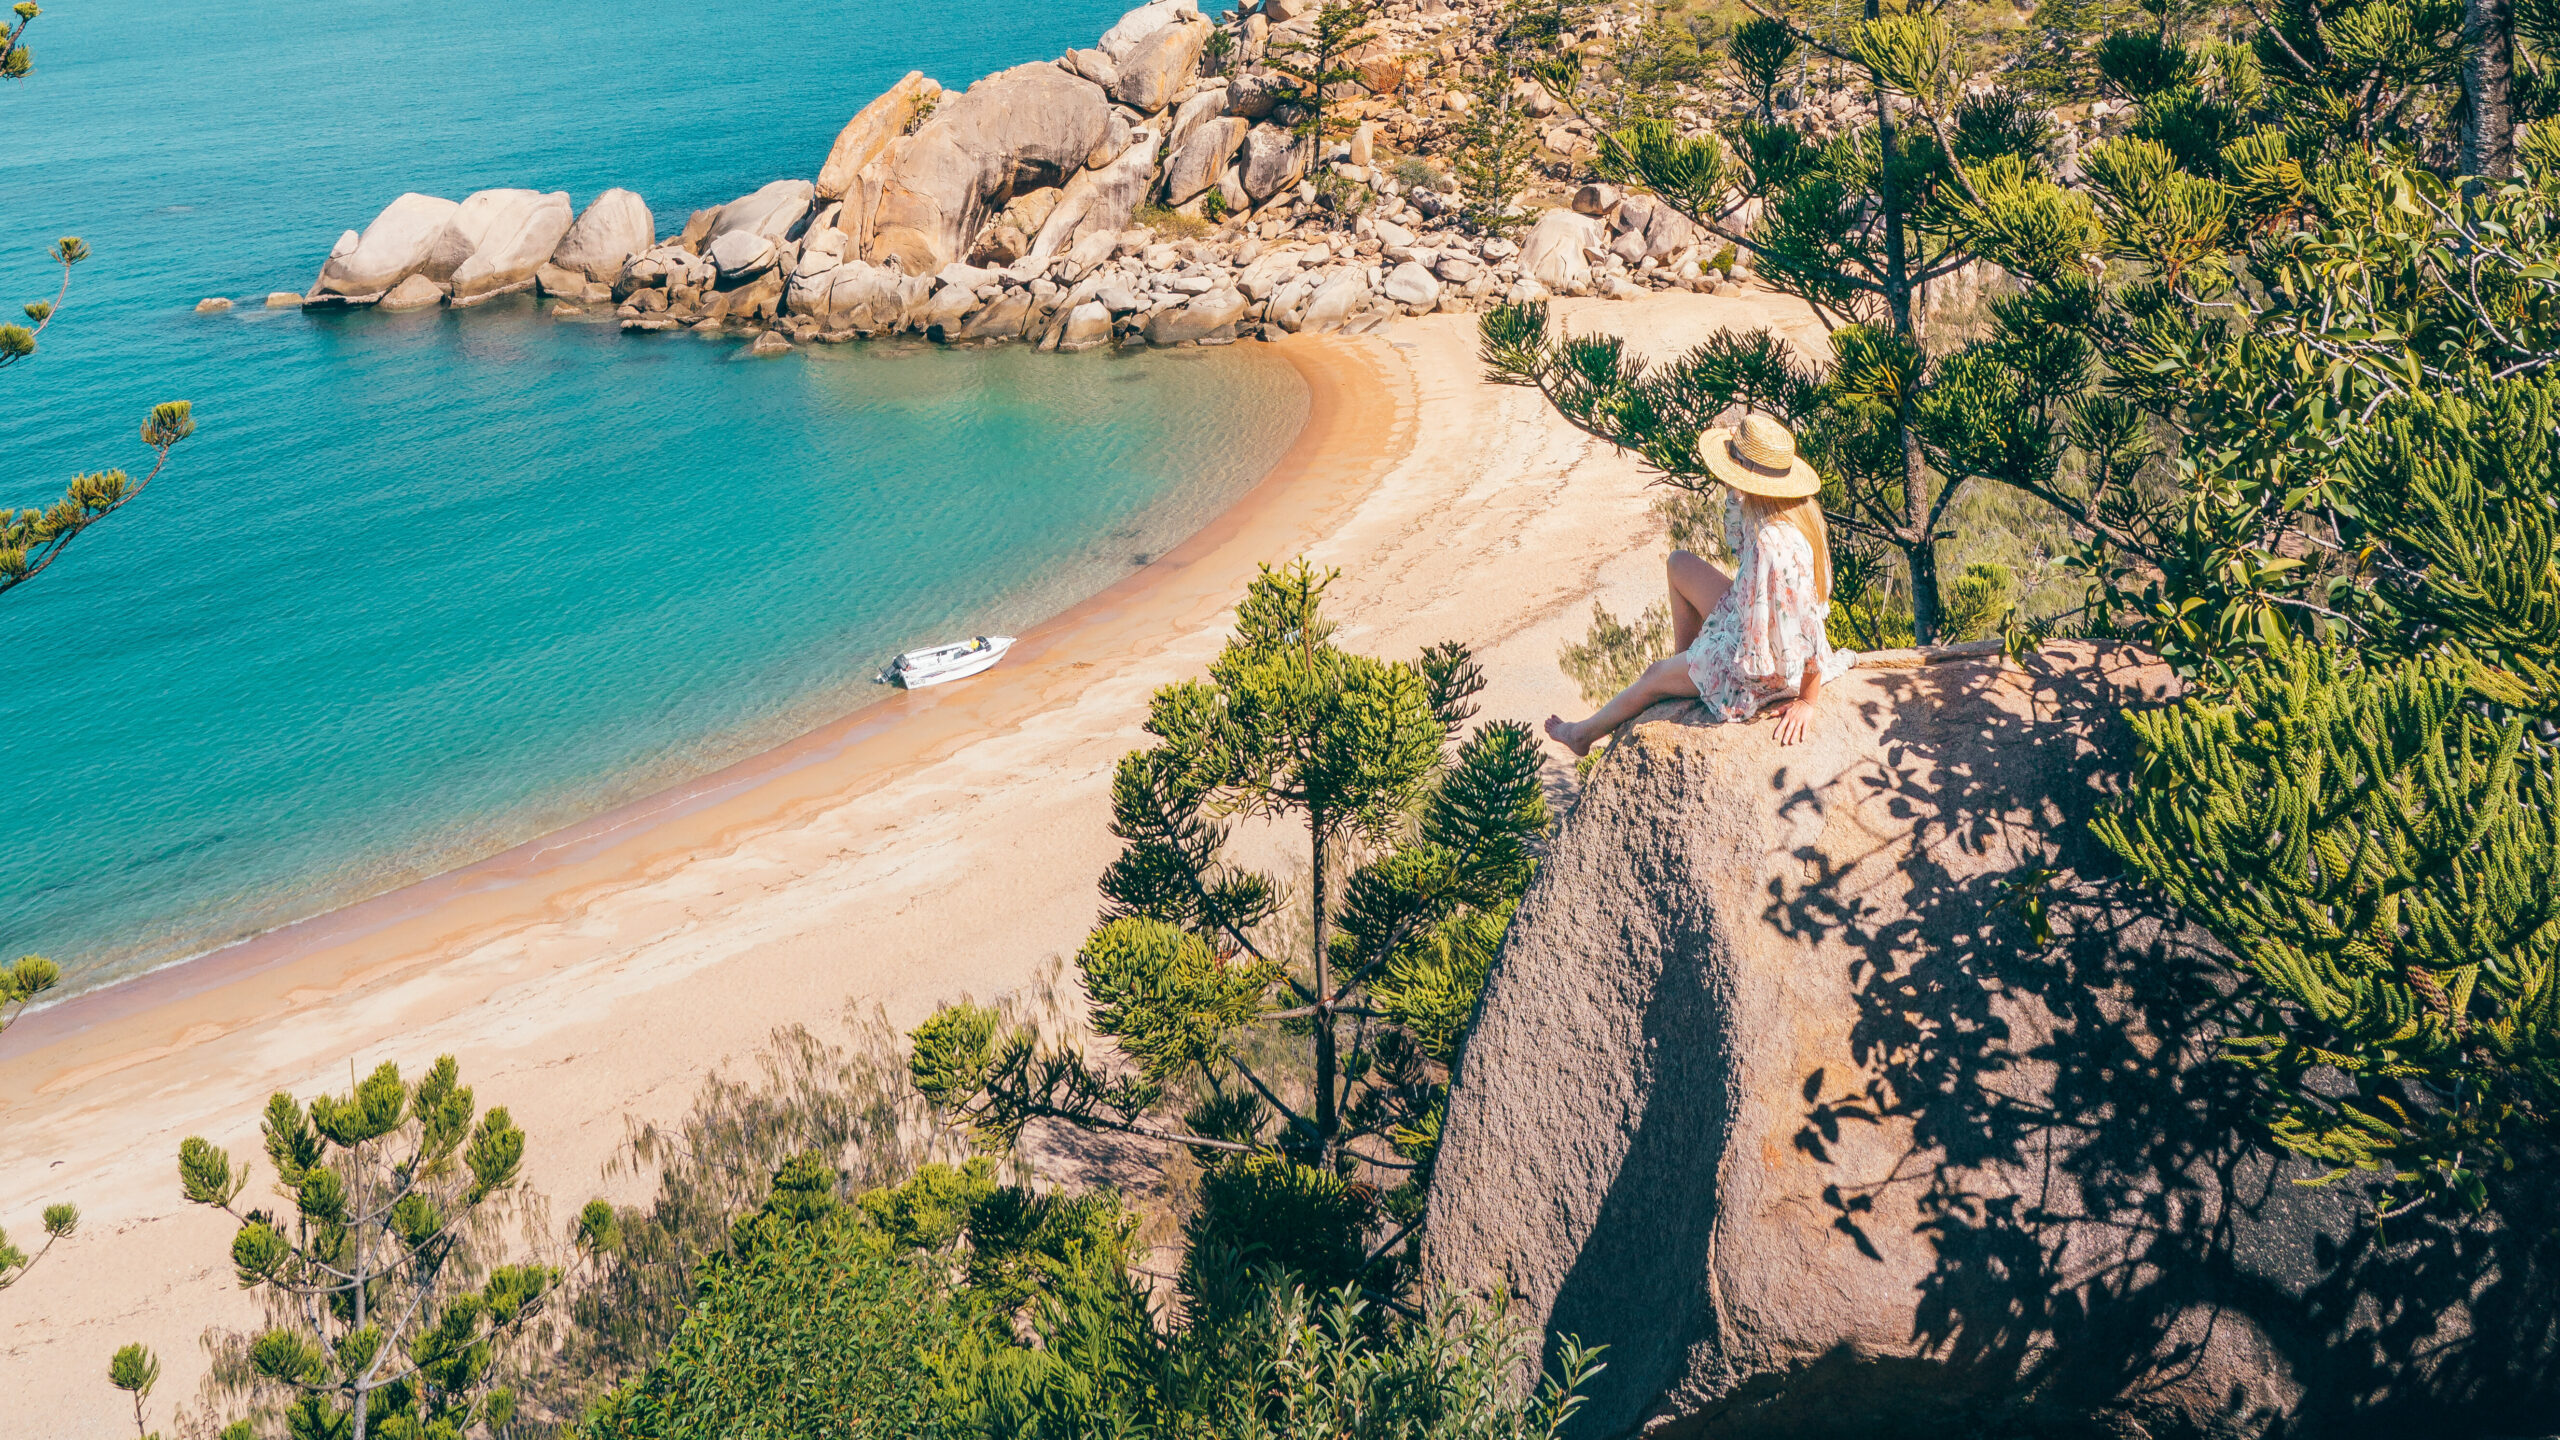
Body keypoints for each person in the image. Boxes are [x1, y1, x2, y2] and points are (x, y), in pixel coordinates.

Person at [1544, 413, 1857, 755]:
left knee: (1652, 676)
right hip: (1751, 622)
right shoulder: (1797, 511)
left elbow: (1806, 623)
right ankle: (1684, 668)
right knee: (1679, 564)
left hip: (1761, 669)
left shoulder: (1773, 542)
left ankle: (1582, 734)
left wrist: (1808, 701)